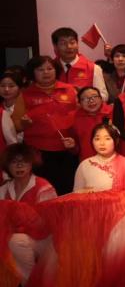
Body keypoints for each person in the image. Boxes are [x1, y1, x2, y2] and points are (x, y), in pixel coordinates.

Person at [17, 56, 79, 194]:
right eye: (40, 69)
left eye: (50, 68)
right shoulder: (25, 94)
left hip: (67, 149)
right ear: (32, 72)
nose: (46, 72)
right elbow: (16, 126)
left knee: (66, 191)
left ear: (56, 70)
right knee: (42, 192)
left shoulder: (70, 90)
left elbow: (80, 116)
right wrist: (23, 124)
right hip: (37, 152)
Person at [2, 144, 57, 284]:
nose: (19, 165)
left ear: (31, 164)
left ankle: (31, 285)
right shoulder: (4, 189)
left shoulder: (43, 187)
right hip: (16, 237)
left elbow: (48, 223)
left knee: (16, 240)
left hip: (45, 239)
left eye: (24, 161)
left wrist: (20, 220)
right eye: (14, 162)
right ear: (7, 166)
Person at [73, 122, 125, 192]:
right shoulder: (85, 164)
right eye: (97, 139)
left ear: (116, 141)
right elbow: (76, 193)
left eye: (107, 139)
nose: (102, 143)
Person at [52, 27, 108, 102]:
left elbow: (104, 97)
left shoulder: (93, 68)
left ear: (77, 44)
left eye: (72, 42)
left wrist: (86, 96)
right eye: (63, 43)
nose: (69, 47)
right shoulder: (50, 68)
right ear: (55, 47)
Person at [71, 86, 112, 161]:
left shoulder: (113, 113)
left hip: (112, 160)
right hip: (88, 161)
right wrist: (72, 146)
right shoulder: (75, 118)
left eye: (94, 96)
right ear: (79, 103)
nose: (91, 101)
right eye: (85, 99)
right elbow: (75, 149)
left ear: (101, 99)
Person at [1, 70, 23, 151]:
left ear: (19, 88)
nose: (6, 89)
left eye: (11, 86)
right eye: (2, 86)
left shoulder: (25, 107)